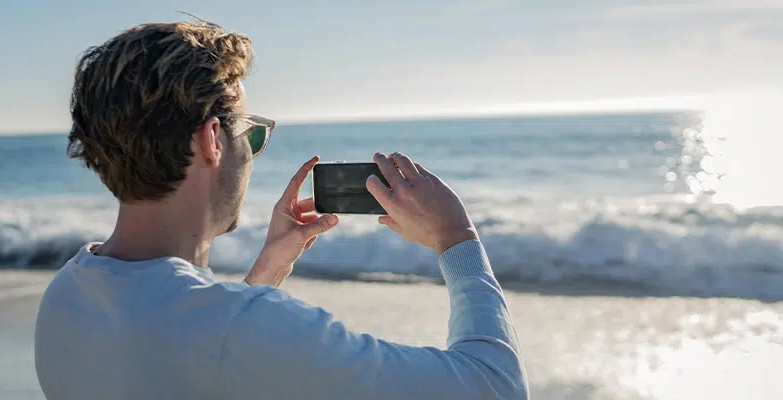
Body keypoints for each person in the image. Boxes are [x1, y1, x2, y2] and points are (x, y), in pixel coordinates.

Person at [34, 17, 528, 400]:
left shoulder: (67, 296)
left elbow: (189, 358)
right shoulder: (241, 330)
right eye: (250, 133)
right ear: (212, 140)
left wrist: (267, 272)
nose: (252, 153)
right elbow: (493, 386)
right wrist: (457, 237)